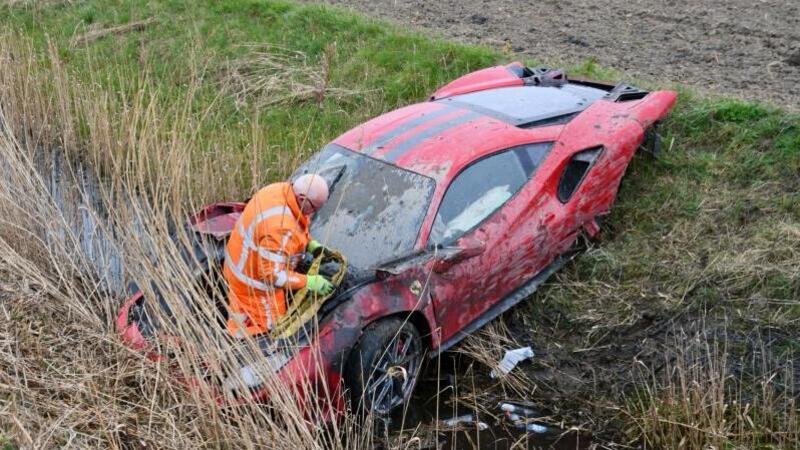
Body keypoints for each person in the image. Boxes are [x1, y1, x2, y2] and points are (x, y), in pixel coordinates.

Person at [223, 174, 334, 337]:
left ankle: (235, 329)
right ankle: (241, 348)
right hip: (253, 287)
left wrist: (309, 243)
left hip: (241, 264)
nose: (314, 213)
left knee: (240, 313)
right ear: (302, 198)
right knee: (272, 329)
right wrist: (308, 282)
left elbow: (297, 223)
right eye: (315, 208)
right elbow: (272, 275)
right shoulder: (280, 227)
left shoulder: (279, 190)